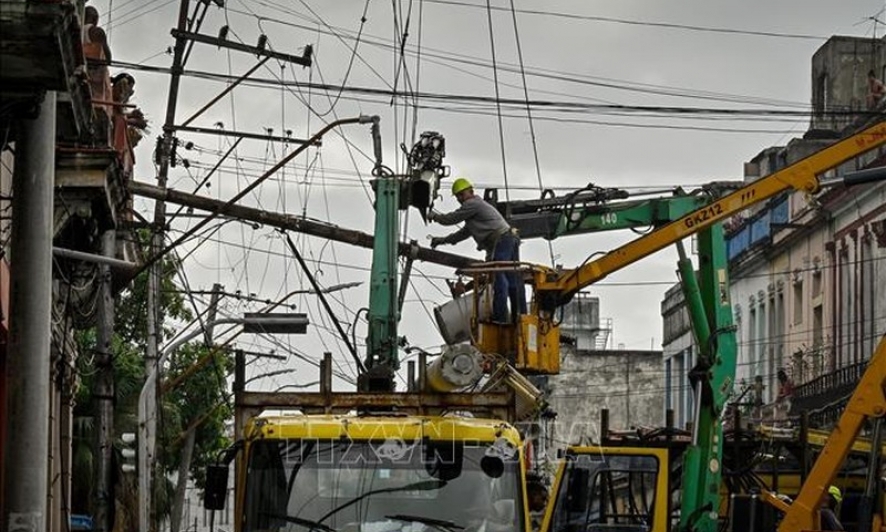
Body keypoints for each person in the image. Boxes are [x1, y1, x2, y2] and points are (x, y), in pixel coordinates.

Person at [428, 177, 527, 324]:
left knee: (499, 275)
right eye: (458, 197)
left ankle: (500, 317)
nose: (461, 199)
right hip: (509, 238)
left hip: (501, 240)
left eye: (462, 194)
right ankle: (520, 317)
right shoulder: (475, 214)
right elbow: (460, 235)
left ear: (471, 192)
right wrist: (441, 240)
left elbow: (452, 218)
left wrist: (435, 216)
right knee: (512, 279)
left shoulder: (473, 204)